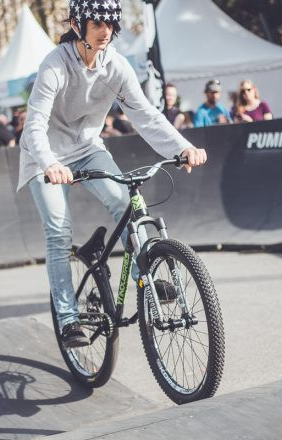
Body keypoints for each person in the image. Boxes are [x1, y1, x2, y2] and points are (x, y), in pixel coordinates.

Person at [18, 0, 207, 348]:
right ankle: (67, 317)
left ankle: (143, 274)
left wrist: (182, 147)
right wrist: (49, 164)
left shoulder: (116, 66)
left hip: (88, 149)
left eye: (110, 25)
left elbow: (146, 116)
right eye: (97, 24)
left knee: (126, 202)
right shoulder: (55, 65)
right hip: (43, 155)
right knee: (58, 231)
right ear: (78, 25)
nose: (106, 32)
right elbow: (34, 127)